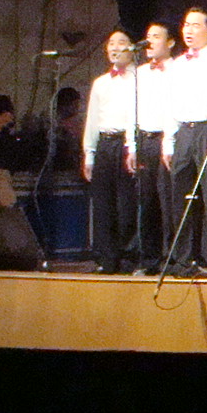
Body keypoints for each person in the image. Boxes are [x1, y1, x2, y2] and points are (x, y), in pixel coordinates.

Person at [162, 7, 207, 275]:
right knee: (182, 196)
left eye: (195, 25)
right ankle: (184, 259)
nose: (189, 30)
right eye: (186, 25)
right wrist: (169, 142)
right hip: (184, 131)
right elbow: (170, 105)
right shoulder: (177, 64)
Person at [82, 30, 139, 273]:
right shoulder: (101, 83)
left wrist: (131, 145)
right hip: (104, 143)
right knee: (103, 204)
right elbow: (92, 119)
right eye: (111, 44)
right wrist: (89, 153)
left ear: (132, 48)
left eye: (121, 43)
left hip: (127, 143)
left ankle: (127, 256)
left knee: (126, 203)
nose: (115, 48)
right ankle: (106, 258)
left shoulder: (139, 79)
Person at [129, 22, 175, 274]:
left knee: (168, 200)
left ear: (170, 43)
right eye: (148, 37)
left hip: (168, 139)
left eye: (156, 37)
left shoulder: (178, 69)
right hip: (145, 140)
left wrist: (170, 141)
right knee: (146, 201)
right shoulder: (140, 73)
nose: (150, 41)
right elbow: (131, 111)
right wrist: (131, 145)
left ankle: (172, 257)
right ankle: (149, 259)